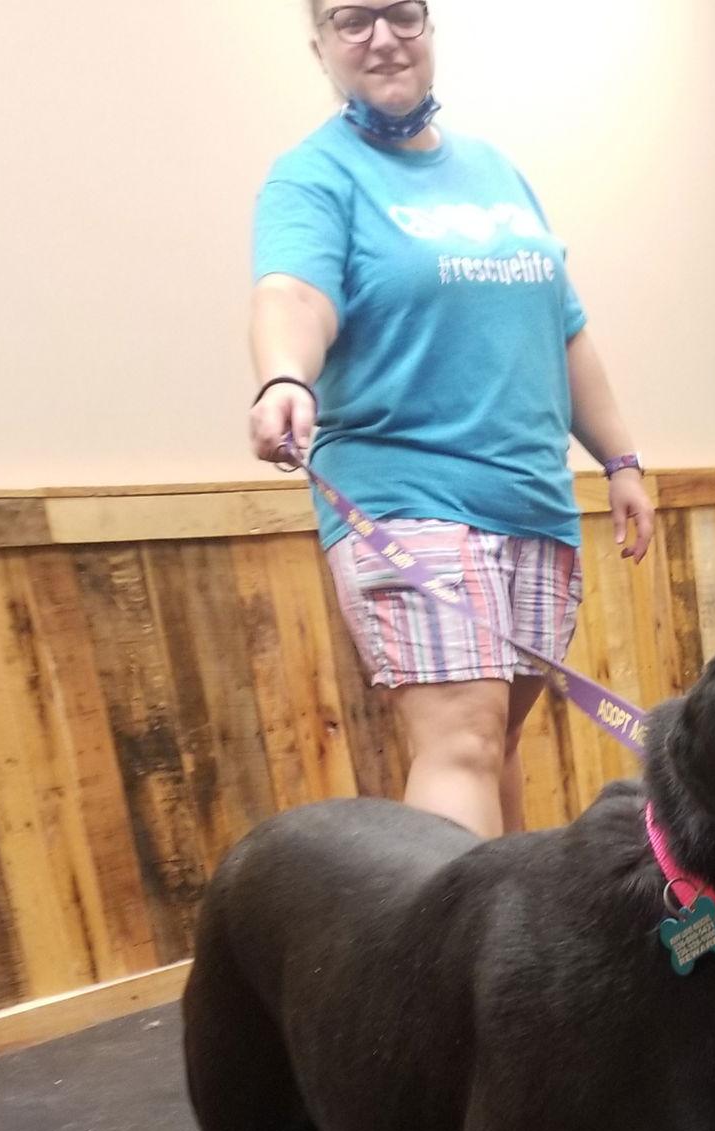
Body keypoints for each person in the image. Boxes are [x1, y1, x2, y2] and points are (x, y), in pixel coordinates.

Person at [249, 0, 654, 837]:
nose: (383, 38)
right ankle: (443, 968)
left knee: (495, 740)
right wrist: (283, 376)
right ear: (319, 44)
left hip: (532, 501)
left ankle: (503, 958)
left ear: (428, 26)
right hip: (407, 494)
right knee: (460, 740)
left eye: (400, 14)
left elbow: (562, 327)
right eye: (353, 20)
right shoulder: (314, 176)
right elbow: (293, 290)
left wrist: (620, 460)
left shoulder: (498, 172)